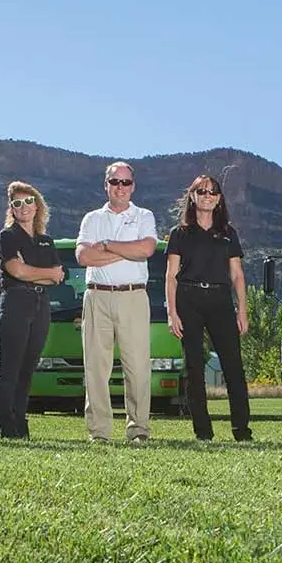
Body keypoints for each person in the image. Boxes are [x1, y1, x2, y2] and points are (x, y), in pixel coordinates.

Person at [164, 174, 253, 442]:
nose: (207, 195)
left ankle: (241, 429)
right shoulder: (180, 234)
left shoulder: (228, 233)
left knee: (233, 366)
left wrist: (242, 310)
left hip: (220, 300)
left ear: (219, 198)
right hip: (188, 299)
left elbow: (237, 275)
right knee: (194, 368)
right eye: (201, 191)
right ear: (192, 196)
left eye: (213, 192)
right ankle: (203, 431)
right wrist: (172, 312)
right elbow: (171, 276)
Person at [77, 161, 159, 443]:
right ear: (106, 185)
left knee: (137, 366)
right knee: (95, 367)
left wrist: (108, 245)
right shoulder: (91, 219)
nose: (120, 188)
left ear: (133, 186)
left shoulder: (144, 215)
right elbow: (84, 258)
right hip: (96, 296)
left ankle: (138, 430)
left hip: (133, 296)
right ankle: (98, 432)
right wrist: (128, 251)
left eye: (125, 182)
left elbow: (147, 249)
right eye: (115, 182)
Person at [0, 181, 63, 438]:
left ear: (37, 205)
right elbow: (15, 270)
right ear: (11, 209)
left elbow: (58, 277)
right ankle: (6, 423)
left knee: (28, 368)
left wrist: (31, 273)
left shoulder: (46, 241)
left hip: (41, 305)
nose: (23, 207)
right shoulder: (7, 236)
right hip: (15, 304)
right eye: (17, 203)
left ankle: (20, 422)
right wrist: (40, 274)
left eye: (28, 201)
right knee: (9, 368)